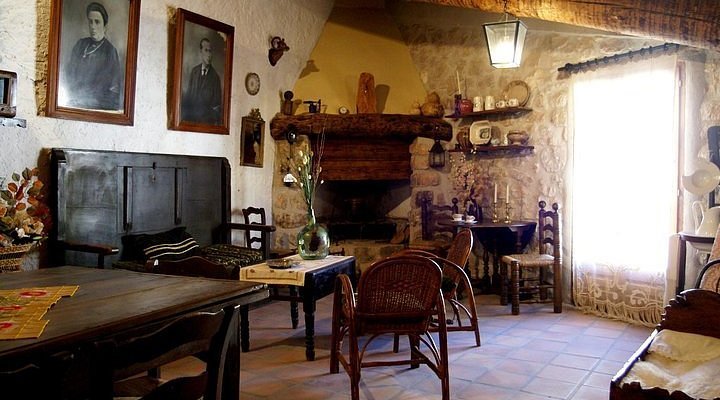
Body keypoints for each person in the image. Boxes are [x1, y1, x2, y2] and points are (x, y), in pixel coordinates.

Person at [64, 2, 122, 110]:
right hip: (75, 101)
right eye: (90, 22)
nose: (93, 26)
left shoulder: (110, 51)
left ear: (105, 26)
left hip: (96, 105)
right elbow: (69, 74)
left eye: (97, 22)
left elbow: (112, 88)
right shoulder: (80, 44)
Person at [182, 38, 222, 125]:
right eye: (206, 50)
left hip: (205, 123)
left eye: (210, 51)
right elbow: (188, 97)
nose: (209, 55)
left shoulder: (215, 78)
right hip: (190, 121)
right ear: (201, 52)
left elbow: (216, 108)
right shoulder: (194, 72)